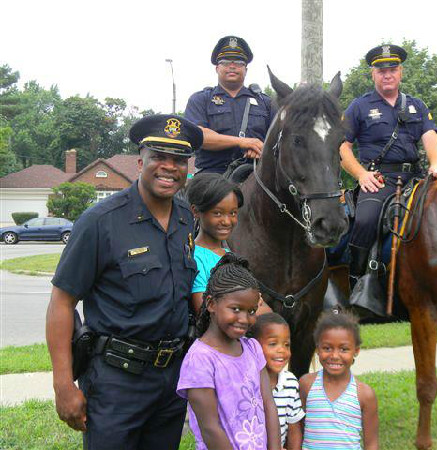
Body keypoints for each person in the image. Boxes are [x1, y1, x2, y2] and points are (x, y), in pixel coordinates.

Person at [46, 114, 202, 449]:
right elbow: (62, 302)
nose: (169, 167)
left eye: (179, 160)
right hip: (117, 381)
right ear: (139, 161)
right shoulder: (99, 222)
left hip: (172, 378)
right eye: (159, 157)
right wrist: (63, 384)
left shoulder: (187, 218)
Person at [339, 44, 437, 281]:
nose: (388, 74)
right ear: (373, 74)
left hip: (416, 178)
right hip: (378, 179)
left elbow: (430, 137)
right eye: (381, 70)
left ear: (401, 72)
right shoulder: (359, 106)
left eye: (393, 69)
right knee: (365, 220)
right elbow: (342, 146)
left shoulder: (416, 105)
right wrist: (361, 175)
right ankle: (356, 280)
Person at [177, 253, 281, 450]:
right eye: (236, 309)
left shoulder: (252, 349)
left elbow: (268, 404)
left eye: (251, 311)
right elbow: (210, 428)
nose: (244, 318)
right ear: (211, 304)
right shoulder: (200, 360)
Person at [185, 35, 276, 174]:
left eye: (239, 62)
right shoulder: (201, 99)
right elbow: (199, 136)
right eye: (226, 62)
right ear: (217, 68)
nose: (232, 66)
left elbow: (278, 138)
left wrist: (260, 148)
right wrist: (243, 142)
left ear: (246, 69)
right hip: (211, 175)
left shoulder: (265, 102)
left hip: (256, 173)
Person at [187, 172, 272, 316]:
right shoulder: (196, 259)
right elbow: (205, 313)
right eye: (218, 213)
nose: (227, 221)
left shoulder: (230, 256)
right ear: (196, 212)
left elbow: (265, 311)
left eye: (232, 213)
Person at [299, 310, 379, 450]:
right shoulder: (307, 384)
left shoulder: (365, 394)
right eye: (327, 348)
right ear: (317, 348)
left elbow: (371, 444)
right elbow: (297, 430)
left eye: (344, 349)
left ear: (356, 351)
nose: (335, 355)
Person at [252, 313, 304, 450]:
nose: (282, 350)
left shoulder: (290, 383)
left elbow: (294, 428)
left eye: (287, 345)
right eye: (273, 344)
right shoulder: (246, 383)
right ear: (254, 346)